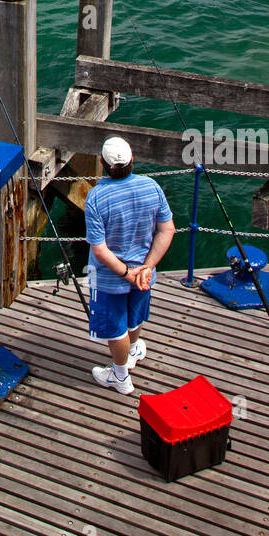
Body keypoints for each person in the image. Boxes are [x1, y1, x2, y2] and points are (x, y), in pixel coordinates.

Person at [84, 135, 175, 395]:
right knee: (135, 319)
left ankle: (120, 375)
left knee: (116, 329)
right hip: (145, 275)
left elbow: (99, 249)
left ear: (102, 163)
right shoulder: (151, 186)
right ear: (133, 160)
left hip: (111, 279)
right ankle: (134, 350)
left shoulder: (96, 197)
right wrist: (145, 268)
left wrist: (126, 273)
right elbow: (167, 229)